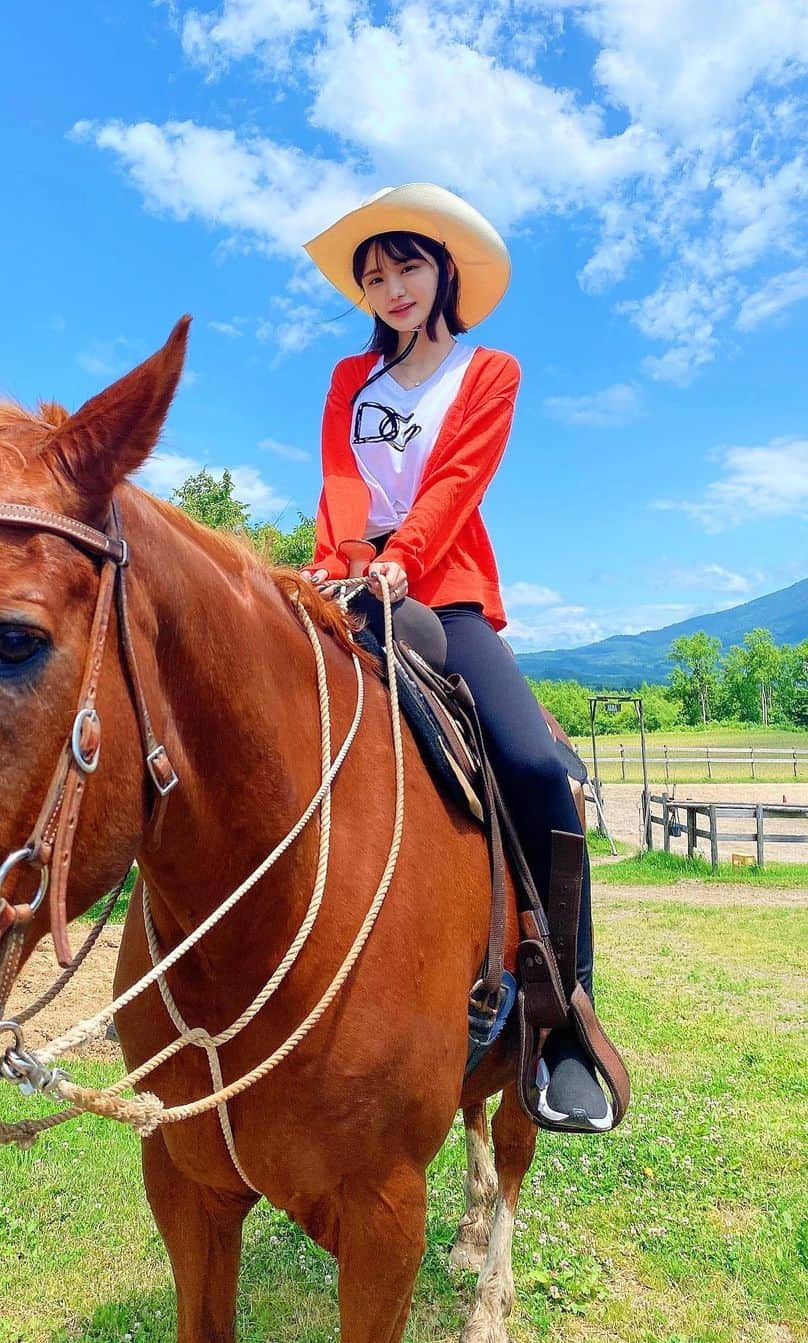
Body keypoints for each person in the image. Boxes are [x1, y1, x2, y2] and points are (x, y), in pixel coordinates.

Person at [300, 183, 612, 1131]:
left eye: (406, 267)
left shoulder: (489, 371)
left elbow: (457, 479)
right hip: (354, 576)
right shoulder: (348, 381)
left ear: (444, 274)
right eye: (373, 276)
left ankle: (565, 1021)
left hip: (447, 588)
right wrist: (338, 565)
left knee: (530, 761)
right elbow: (341, 480)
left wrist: (402, 564)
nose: (390, 288)